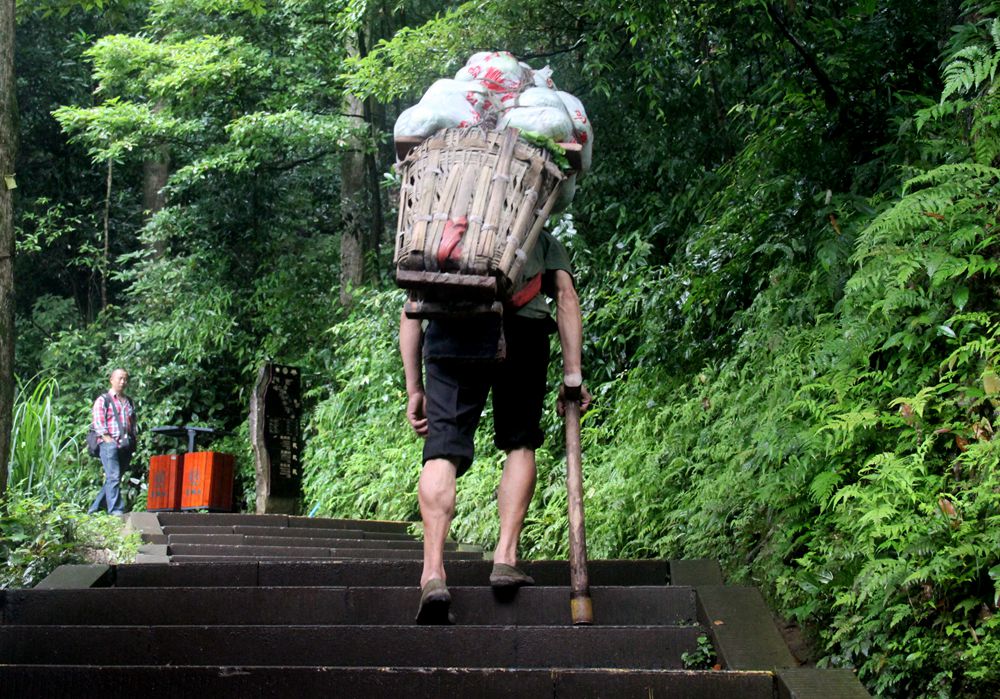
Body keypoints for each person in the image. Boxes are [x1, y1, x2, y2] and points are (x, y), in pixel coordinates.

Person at [400, 229, 591, 624]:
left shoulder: (436, 228)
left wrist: (414, 388)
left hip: (451, 328)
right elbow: (566, 296)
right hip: (523, 331)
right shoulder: (536, 232)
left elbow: (411, 306)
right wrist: (572, 376)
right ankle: (505, 556)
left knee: (442, 449)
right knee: (520, 443)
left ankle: (433, 573)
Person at [88, 368, 137, 515]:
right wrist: (108, 440)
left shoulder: (129, 401)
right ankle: (116, 511)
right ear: (111, 380)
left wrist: (133, 439)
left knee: (114, 478)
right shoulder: (104, 400)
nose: (123, 382)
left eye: (125, 379)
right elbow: (98, 422)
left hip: (125, 445)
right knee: (113, 477)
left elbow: (132, 422)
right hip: (108, 444)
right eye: (120, 378)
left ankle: (94, 510)